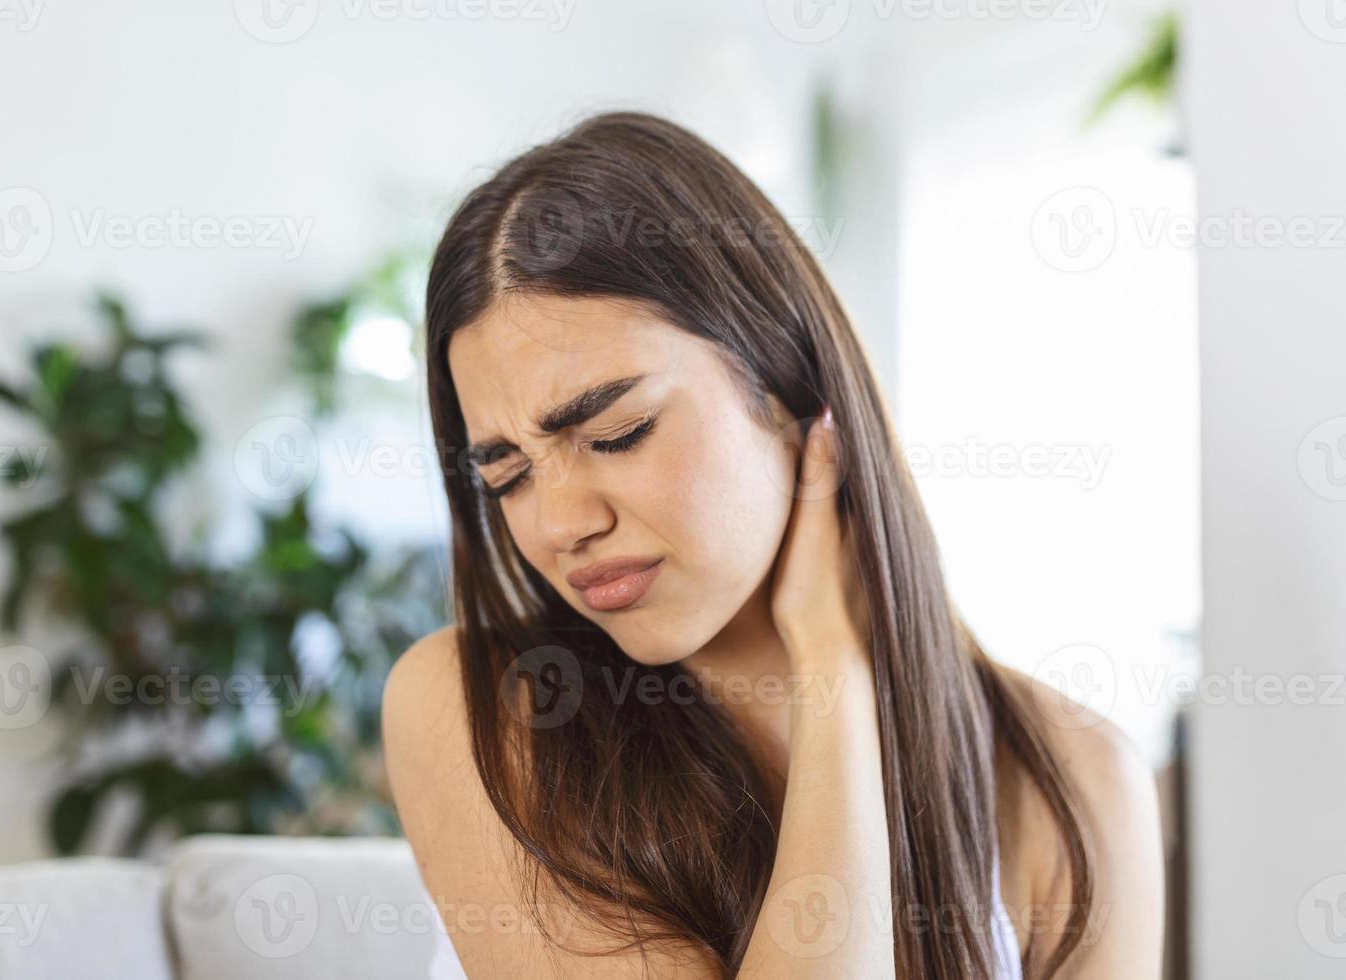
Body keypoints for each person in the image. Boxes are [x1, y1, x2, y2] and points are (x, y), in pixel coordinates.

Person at [383, 110, 1164, 979]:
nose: (562, 524)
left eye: (619, 432)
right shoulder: (490, 711)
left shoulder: (1074, 779)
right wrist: (832, 665)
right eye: (508, 475)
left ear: (788, 385)